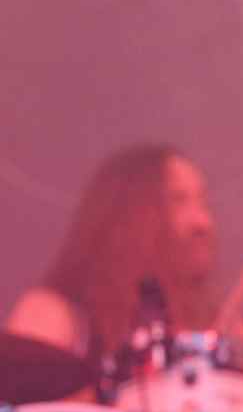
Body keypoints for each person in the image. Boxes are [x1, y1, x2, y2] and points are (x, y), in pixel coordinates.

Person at [6, 144, 218, 361]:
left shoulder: (206, 330)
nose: (204, 222)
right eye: (178, 201)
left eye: (203, 203)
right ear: (128, 217)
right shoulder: (53, 316)